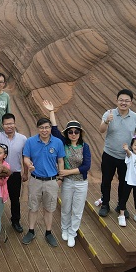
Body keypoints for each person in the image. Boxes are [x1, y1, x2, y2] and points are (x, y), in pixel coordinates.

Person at [42, 100, 91, 247]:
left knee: (77, 209)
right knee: (66, 207)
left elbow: (86, 166)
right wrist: (51, 111)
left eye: (76, 132)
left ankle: (72, 232)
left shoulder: (85, 146)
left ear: (80, 133)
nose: (73, 134)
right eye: (70, 132)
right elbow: (55, 129)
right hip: (68, 182)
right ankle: (64, 228)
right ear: (67, 133)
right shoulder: (63, 143)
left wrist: (67, 171)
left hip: (81, 182)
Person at [97, 89, 136, 218]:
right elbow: (101, 130)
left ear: (131, 103)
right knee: (106, 180)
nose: (123, 103)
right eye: (121, 100)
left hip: (127, 157)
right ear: (117, 101)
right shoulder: (109, 113)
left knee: (124, 182)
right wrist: (107, 121)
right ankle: (105, 204)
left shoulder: (135, 117)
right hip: (109, 154)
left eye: (126, 101)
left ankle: (121, 205)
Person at [22, 117, 65, 247]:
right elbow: (26, 157)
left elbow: (61, 161)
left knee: (49, 208)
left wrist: (60, 178)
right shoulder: (30, 141)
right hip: (35, 180)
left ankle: (48, 232)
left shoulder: (57, 142)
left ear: (50, 128)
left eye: (47, 127)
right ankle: (31, 231)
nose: (44, 130)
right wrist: (29, 165)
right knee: (33, 207)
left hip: (51, 181)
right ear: (38, 128)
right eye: (41, 128)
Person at [0, 110, 28, 232]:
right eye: (6, 124)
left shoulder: (23, 139)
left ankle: (15, 221)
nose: (9, 126)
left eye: (11, 123)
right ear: (2, 125)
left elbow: (25, 157)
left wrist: (25, 173)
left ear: (15, 123)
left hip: (14, 174)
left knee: (15, 199)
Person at [118, 137, 136, 227]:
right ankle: (121, 215)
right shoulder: (130, 155)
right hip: (129, 181)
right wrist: (126, 149)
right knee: (124, 197)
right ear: (132, 146)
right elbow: (128, 153)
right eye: (135, 145)